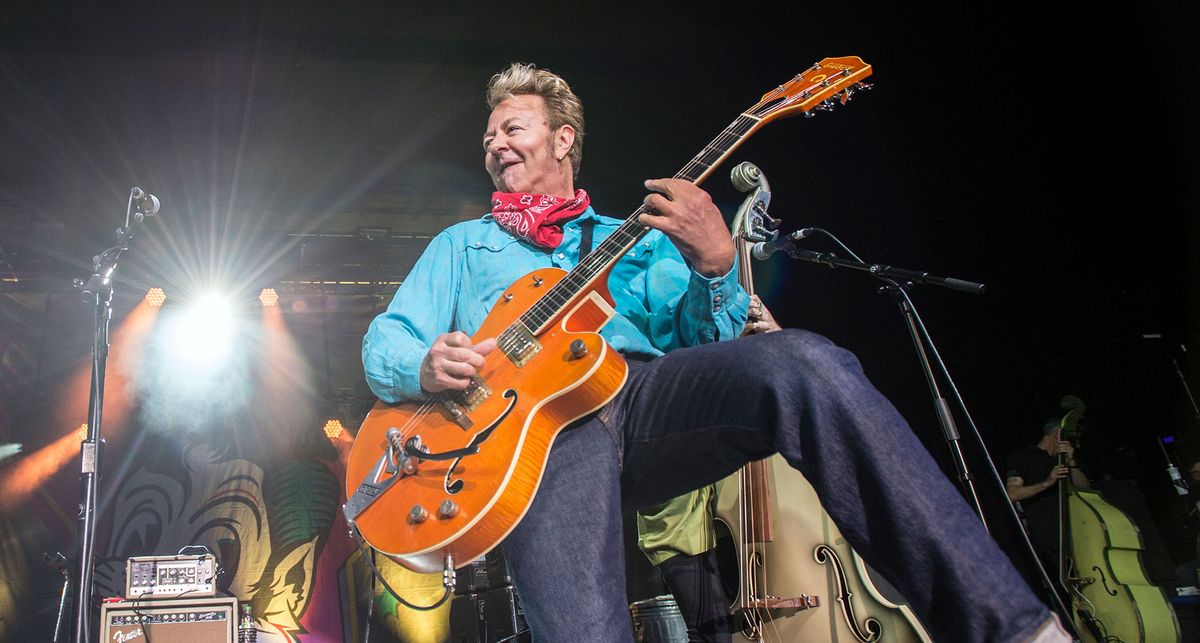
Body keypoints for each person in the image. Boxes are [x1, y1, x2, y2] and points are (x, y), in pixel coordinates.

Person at [362, 62, 1068, 642]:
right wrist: (422, 364)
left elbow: (705, 344)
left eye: (511, 128)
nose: (495, 145)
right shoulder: (460, 246)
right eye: (488, 137)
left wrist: (714, 264)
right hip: (535, 439)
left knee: (803, 362)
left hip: (641, 400)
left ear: (563, 138)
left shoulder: (632, 235)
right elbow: (383, 339)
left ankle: (1009, 627)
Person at [634, 295, 778, 642]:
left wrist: (775, 341)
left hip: (750, 478)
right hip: (677, 495)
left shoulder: (729, 296)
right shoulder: (648, 283)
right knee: (712, 630)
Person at [1005, 419, 1092, 570]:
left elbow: (1086, 490)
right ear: (1058, 433)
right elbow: (1013, 493)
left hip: (1082, 533)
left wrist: (1071, 462)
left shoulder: (1072, 459)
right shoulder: (1024, 457)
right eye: (1073, 438)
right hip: (1050, 538)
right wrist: (1047, 482)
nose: (1077, 444)